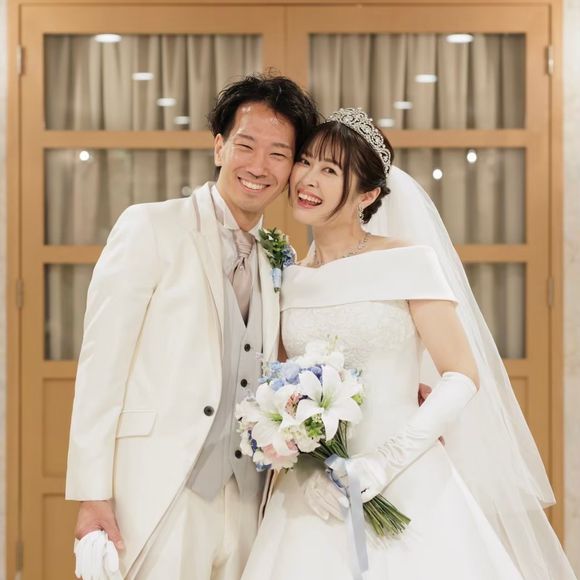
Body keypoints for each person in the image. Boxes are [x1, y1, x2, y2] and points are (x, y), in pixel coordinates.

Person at [241, 108, 577, 579]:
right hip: (312, 495)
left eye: (330, 170)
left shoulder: (407, 260)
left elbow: (462, 375)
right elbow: (283, 389)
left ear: (368, 195)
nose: (307, 179)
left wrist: (383, 464)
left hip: (405, 477)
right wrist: (307, 466)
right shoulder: (288, 278)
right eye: (306, 161)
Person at [65, 73, 319, 579]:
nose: (259, 166)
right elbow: (102, 366)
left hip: (250, 498)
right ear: (219, 147)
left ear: (292, 166)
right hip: (162, 489)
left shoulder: (280, 257)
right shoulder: (151, 227)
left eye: (278, 154)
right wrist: (92, 494)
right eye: (246, 145)